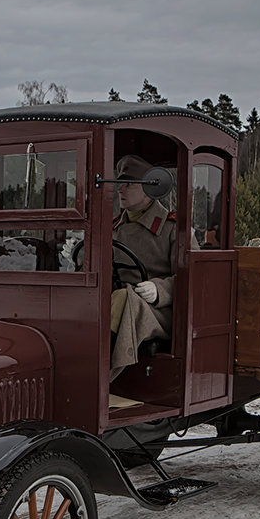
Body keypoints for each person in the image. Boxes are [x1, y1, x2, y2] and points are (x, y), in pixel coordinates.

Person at [109, 155, 190, 380]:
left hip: (157, 312)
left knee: (124, 299)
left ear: (149, 188)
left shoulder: (174, 228)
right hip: (115, 303)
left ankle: (98, 375)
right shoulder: (113, 227)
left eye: (129, 184)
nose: (120, 189)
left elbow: (192, 278)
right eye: (119, 183)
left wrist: (159, 290)